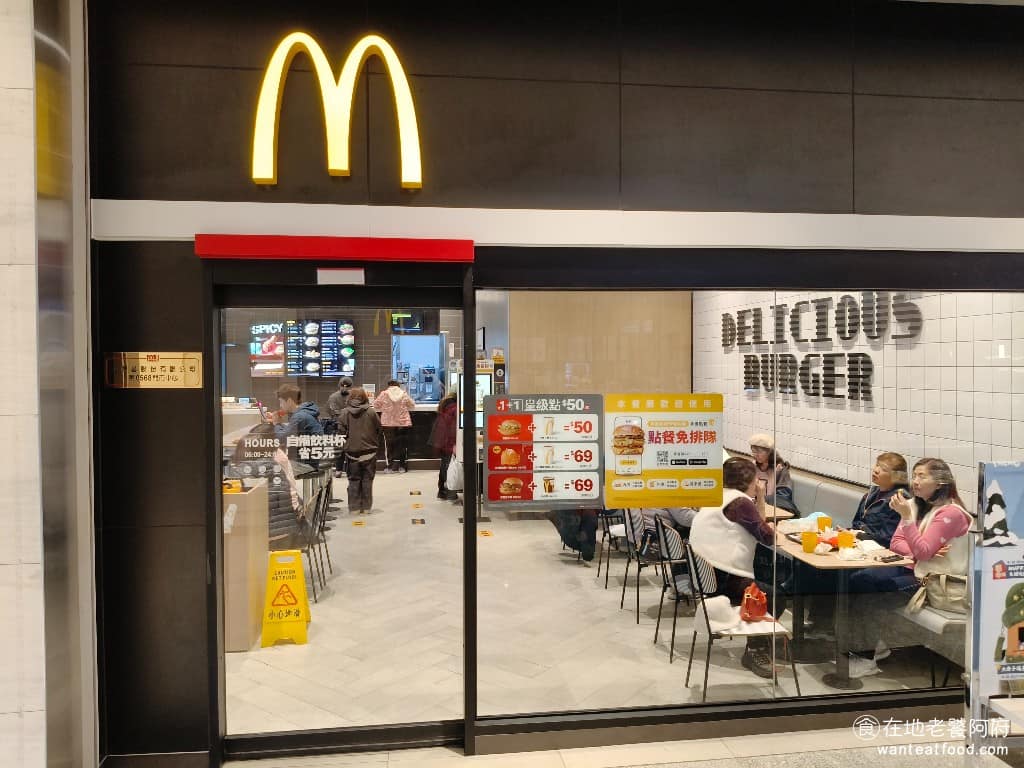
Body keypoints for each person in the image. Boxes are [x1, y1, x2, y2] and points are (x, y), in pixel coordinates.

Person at [847, 457, 972, 677]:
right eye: (914, 475)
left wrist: (910, 526)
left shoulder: (951, 513)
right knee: (860, 579)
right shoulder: (914, 504)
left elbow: (921, 550)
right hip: (916, 568)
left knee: (876, 589)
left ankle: (868, 657)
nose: (915, 481)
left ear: (940, 483)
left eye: (922, 476)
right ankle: (872, 647)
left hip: (935, 583)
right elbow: (897, 543)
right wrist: (923, 548)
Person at [690, 457, 783, 679]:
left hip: (706, 576)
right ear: (750, 481)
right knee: (774, 596)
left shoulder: (718, 497)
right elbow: (767, 537)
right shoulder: (740, 503)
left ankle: (765, 642)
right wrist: (760, 497)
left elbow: (759, 530)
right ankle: (755, 650)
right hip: (724, 579)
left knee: (766, 585)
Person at [337, 388, 382, 515]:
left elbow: (340, 433)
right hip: (370, 452)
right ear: (365, 398)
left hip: (351, 453)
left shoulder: (344, 413)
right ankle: (367, 508)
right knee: (367, 480)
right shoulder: (371, 412)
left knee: (353, 480)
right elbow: (379, 429)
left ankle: (354, 508)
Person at [851, 452, 908, 547]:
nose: (876, 470)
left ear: (896, 477)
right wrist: (847, 532)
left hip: (879, 550)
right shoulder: (869, 494)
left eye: (884, 469)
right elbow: (856, 523)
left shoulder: (898, 501)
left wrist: (858, 535)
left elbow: (887, 538)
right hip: (859, 543)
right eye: (877, 465)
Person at [748, 433, 799, 515]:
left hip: (773, 508)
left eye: (759, 452)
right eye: (753, 452)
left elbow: (783, 496)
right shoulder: (752, 466)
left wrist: (762, 500)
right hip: (755, 506)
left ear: (769, 452)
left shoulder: (780, 469)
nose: (755, 455)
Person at [374, 379, 416, 472]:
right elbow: (412, 405)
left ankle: (389, 467)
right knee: (402, 445)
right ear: (398, 385)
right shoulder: (403, 393)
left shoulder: (384, 394)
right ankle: (402, 467)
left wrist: (385, 407)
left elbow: (375, 405)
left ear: (389, 385)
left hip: (388, 424)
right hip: (403, 423)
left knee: (388, 445)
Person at [429, 389, 458, 500]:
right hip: (449, 442)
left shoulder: (445, 405)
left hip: (441, 440)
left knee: (445, 465)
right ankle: (447, 491)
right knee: (448, 466)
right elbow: (453, 429)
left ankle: (442, 490)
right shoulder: (455, 408)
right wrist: (455, 442)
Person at [327, 377, 354, 477]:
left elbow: (329, 410)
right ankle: (350, 470)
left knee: (339, 449)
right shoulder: (354, 396)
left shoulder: (333, 397)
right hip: (352, 426)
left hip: (338, 426)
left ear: (339, 385)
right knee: (351, 448)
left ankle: (338, 470)